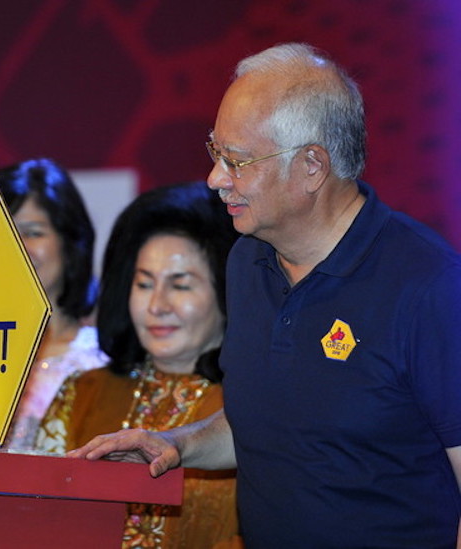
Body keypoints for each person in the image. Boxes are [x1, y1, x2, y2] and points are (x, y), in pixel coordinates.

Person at [69, 43, 461, 548]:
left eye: (237, 160)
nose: (215, 180)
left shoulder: (428, 286)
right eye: (215, 152)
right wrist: (175, 443)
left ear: (312, 166)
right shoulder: (246, 261)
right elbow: (269, 421)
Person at [36, 182, 240, 547]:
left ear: (226, 292)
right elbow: (37, 521)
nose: (157, 305)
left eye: (180, 285)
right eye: (144, 284)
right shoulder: (82, 393)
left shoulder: (249, 406)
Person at [0, 158, 108, 450]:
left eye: (33, 232)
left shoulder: (102, 360)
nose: (17, 247)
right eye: (4, 233)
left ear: (70, 244)